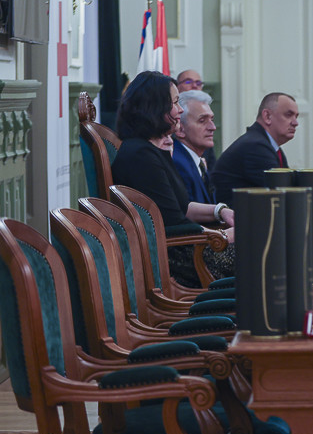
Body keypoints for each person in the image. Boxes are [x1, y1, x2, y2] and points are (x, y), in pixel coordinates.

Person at [110, 72, 235, 289]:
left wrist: (220, 211)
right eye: (175, 102)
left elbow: (180, 207)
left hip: (184, 247)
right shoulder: (141, 156)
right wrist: (223, 235)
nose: (180, 110)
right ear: (155, 107)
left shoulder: (151, 149)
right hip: (178, 257)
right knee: (261, 248)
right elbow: (174, 224)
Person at [211, 92, 300, 203]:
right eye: (288, 115)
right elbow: (283, 193)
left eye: (296, 116)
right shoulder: (255, 147)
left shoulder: (265, 145)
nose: (295, 123)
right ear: (267, 116)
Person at [172, 89, 218, 204]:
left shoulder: (196, 160)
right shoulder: (178, 163)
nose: (212, 127)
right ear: (180, 129)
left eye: (212, 119)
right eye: (202, 121)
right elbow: (186, 211)